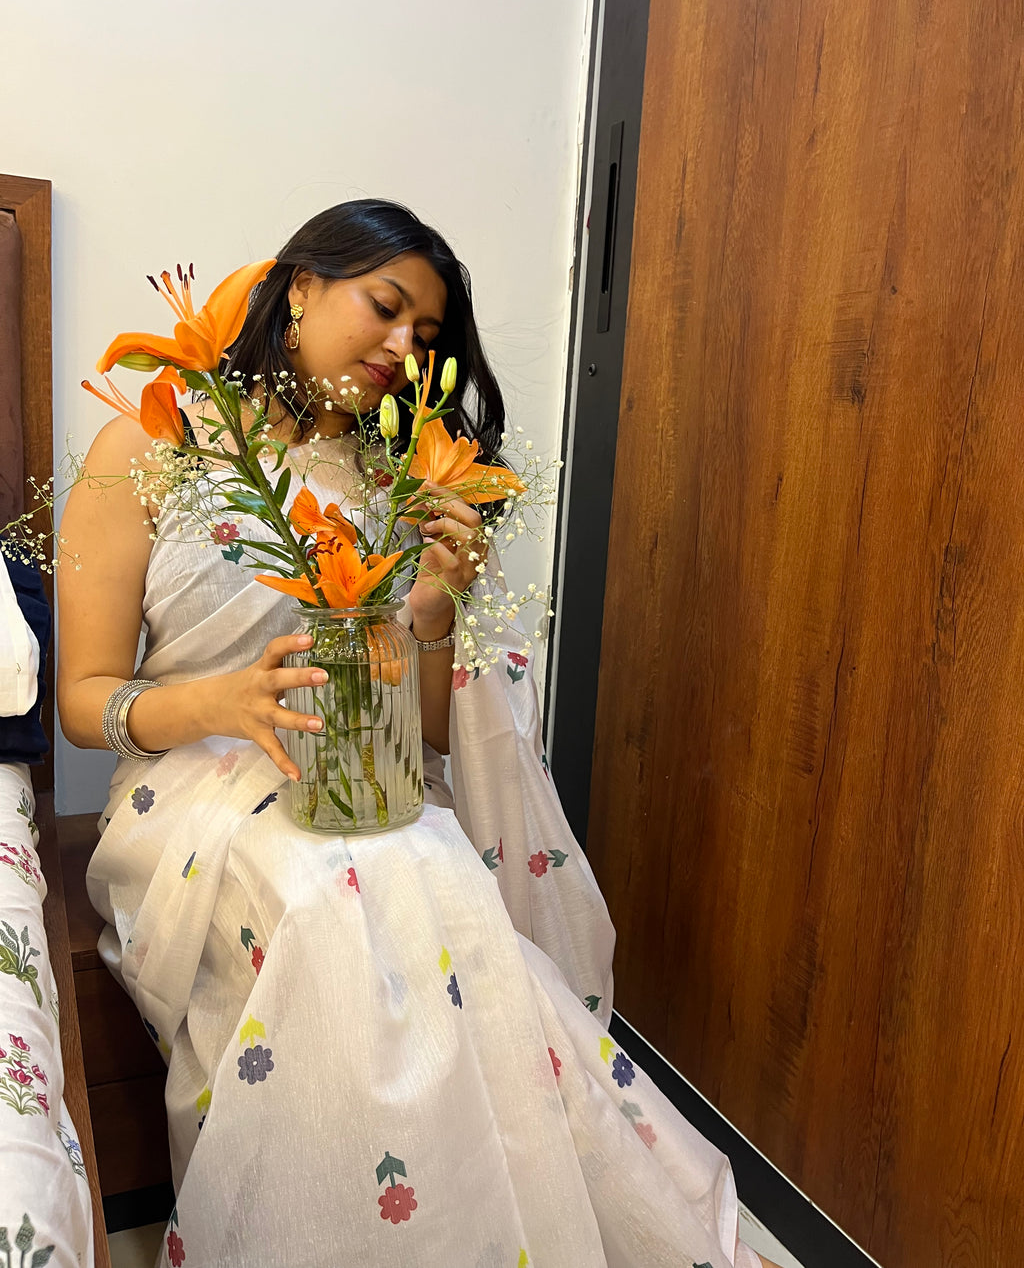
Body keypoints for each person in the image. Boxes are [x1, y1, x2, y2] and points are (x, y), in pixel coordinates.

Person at [57, 200, 775, 1268]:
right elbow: (84, 698)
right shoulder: (145, 444)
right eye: (385, 308)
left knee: (431, 870)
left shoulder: (403, 480)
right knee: (332, 895)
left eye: (426, 338)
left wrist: (436, 610)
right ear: (298, 287)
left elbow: (429, 734)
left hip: (356, 779)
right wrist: (222, 704)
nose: (403, 348)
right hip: (190, 781)